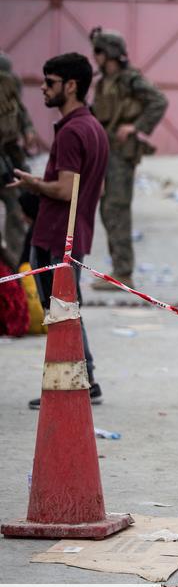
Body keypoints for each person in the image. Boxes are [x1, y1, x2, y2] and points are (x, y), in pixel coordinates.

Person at [10, 53, 109, 407]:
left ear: (71, 86)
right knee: (67, 310)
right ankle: (86, 379)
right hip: (73, 234)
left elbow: (67, 190)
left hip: (56, 237)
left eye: (49, 82)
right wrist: (37, 181)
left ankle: (69, 385)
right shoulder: (93, 127)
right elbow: (78, 186)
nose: (43, 88)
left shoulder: (72, 131)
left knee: (62, 315)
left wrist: (35, 187)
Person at [89, 28, 168, 290]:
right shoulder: (104, 82)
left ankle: (123, 272)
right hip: (105, 150)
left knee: (117, 209)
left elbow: (159, 101)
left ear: (109, 53)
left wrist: (136, 127)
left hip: (121, 154)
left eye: (99, 51)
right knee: (106, 209)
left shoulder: (130, 80)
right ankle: (117, 268)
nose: (95, 56)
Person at [0, 52, 38, 265]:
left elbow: (21, 114)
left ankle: (16, 265)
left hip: (10, 160)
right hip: (4, 164)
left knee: (17, 212)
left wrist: (29, 130)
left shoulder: (10, 97)